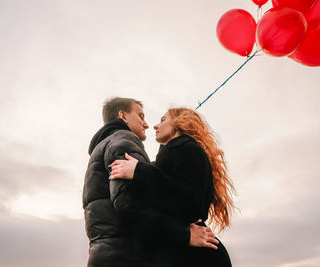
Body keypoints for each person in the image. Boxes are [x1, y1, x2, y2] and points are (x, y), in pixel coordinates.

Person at [83, 98, 218, 267]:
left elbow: (186, 199)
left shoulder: (103, 146)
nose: (148, 124)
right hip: (128, 256)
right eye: (140, 116)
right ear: (122, 116)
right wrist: (185, 234)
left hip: (110, 253)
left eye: (162, 120)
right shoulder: (123, 140)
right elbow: (129, 204)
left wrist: (140, 170)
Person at [110, 107, 234, 267]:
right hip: (188, 254)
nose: (154, 126)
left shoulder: (188, 148)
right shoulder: (172, 152)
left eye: (162, 120)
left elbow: (192, 205)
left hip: (200, 257)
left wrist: (139, 171)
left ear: (179, 123)